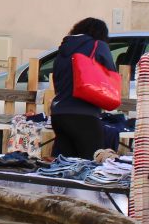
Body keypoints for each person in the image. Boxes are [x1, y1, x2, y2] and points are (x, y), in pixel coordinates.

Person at [48, 17, 118, 161]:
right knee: (91, 165)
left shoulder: (63, 50)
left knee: (63, 165)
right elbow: (110, 73)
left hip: (59, 114)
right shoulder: (98, 45)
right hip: (85, 115)